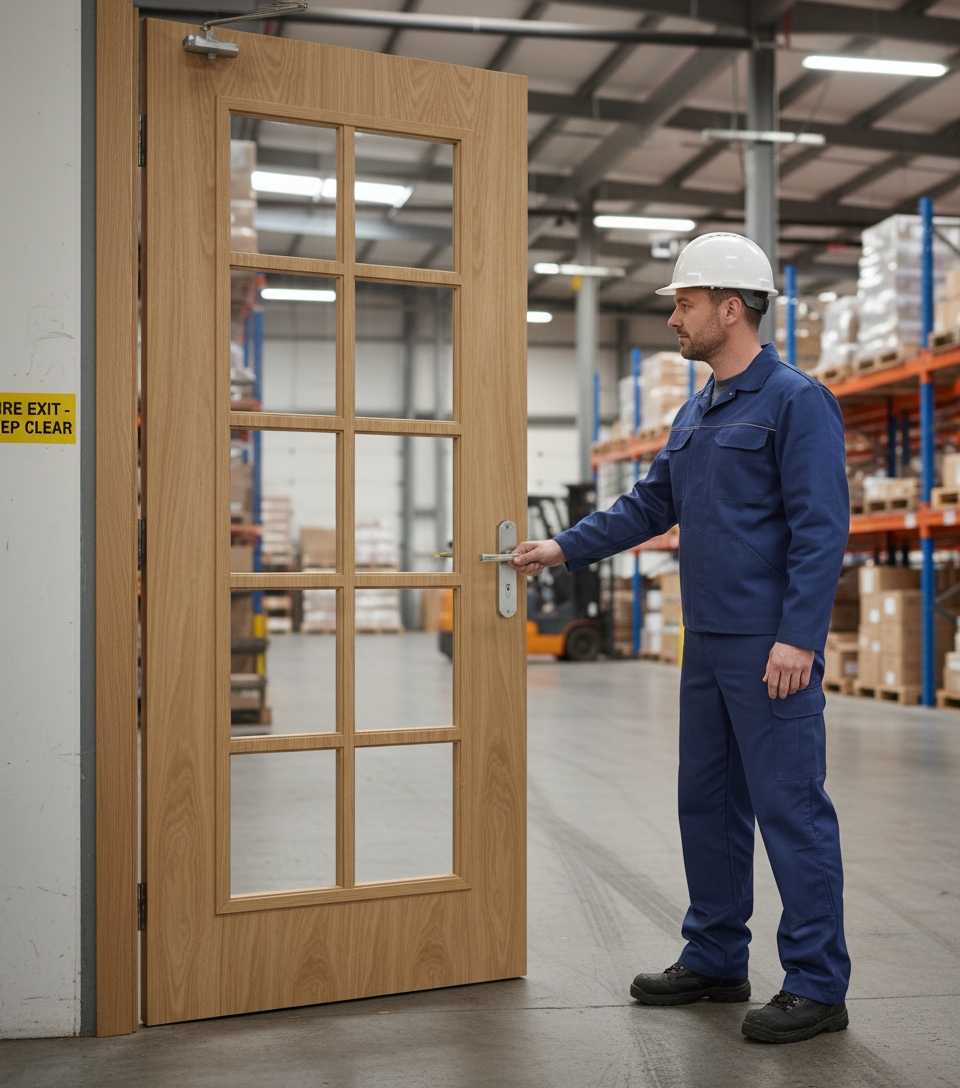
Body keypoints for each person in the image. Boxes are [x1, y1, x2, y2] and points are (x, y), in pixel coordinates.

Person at [510, 233, 851, 1044]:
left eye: (684, 304)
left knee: (791, 812)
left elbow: (821, 528)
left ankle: (816, 983)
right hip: (707, 645)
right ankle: (716, 957)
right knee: (706, 804)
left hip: (772, 649)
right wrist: (563, 545)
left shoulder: (796, 401)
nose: (673, 318)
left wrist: (799, 637)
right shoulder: (695, 409)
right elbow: (650, 505)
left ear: (731, 309)